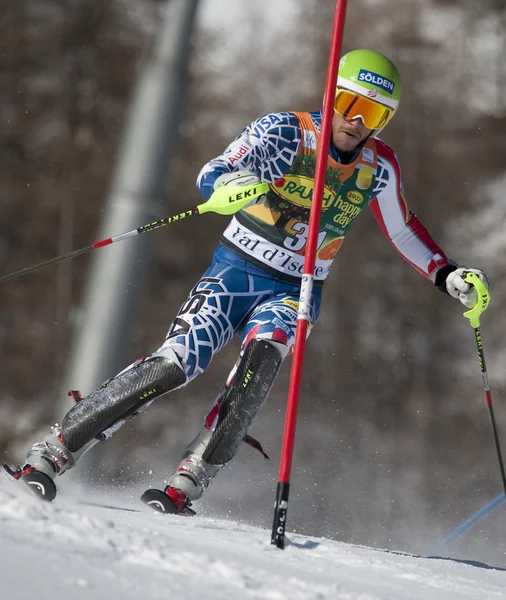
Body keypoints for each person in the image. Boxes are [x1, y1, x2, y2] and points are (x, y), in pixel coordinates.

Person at [5, 49, 488, 514]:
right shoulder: (286, 133)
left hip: (297, 289)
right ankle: (57, 448)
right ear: (332, 97)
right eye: (350, 104)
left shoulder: (378, 167)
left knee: (265, 357)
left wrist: (446, 275)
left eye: (374, 116)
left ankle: (193, 476)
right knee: (180, 362)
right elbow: (215, 170)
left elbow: (402, 227)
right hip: (236, 269)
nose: (356, 122)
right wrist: (227, 187)